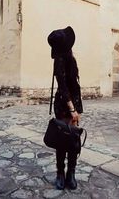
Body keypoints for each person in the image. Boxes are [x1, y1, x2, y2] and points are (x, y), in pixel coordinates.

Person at [47, 26, 83, 190]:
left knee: (73, 140)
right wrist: (71, 109)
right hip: (65, 105)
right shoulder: (60, 60)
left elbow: (74, 84)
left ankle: (71, 174)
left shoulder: (70, 58)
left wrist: (77, 107)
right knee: (63, 141)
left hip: (74, 102)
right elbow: (62, 86)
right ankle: (60, 174)